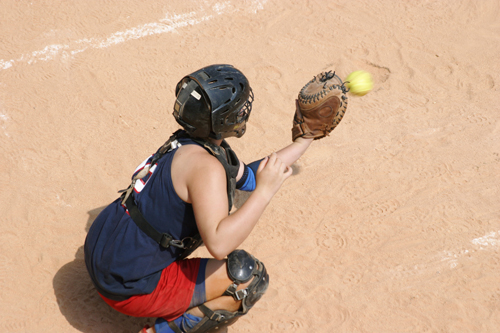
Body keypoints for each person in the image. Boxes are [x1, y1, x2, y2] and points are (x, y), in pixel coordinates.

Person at [84, 64, 313, 333]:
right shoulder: (207, 169)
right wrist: (265, 192)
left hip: (102, 251)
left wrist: (304, 141)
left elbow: (250, 177)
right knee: (247, 278)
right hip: (126, 286)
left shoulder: (190, 143)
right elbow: (219, 243)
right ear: (225, 120)